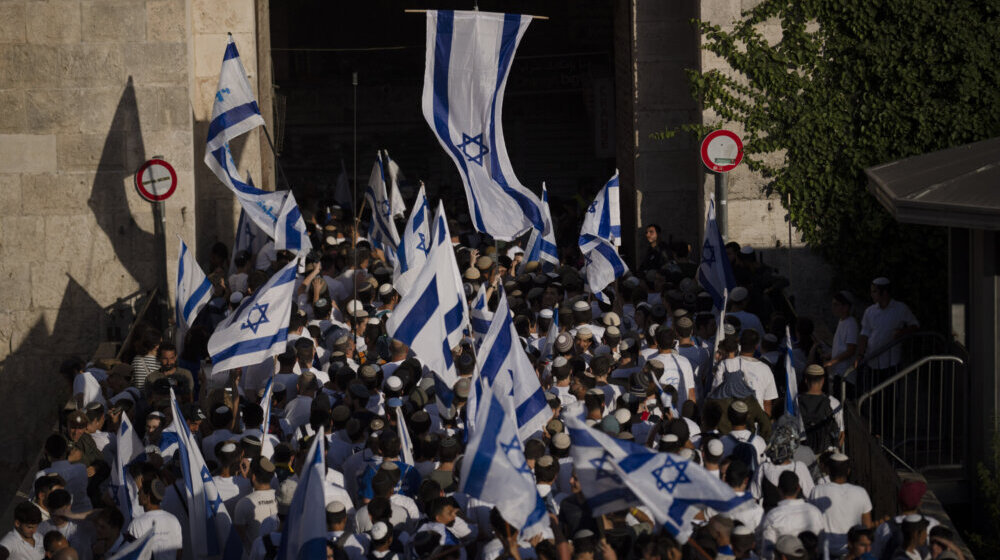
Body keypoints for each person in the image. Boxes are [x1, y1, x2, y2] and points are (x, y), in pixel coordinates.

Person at [807, 453, 873, 555]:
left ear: (828, 470)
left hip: (825, 553)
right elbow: (867, 526)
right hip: (852, 553)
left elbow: (811, 523)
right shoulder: (861, 492)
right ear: (848, 471)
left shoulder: (817, 491)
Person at [855, 278, 919, 379]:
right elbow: (864, 334)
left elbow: (915, 325)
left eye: (875, 291)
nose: (872, 294)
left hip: (892, 361)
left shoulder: (900, 308)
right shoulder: (870, 311)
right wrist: (860, 355)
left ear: (884, 292)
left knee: (890, 391)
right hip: (872, 360)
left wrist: (902, 332)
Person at [758, 471, 824, 559]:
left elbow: (767, 552)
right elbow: (823, 545)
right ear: (799, 488)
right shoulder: (815, 512)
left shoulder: (772, 516)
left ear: (779, 489)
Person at [125, 479, 183, 560]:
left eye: (140, 492)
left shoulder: (137, 524)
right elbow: (179, 553)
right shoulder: (174, 520)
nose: (138, 494)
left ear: (147, 497)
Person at [824, 291, 858, 378]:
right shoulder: (841, 321)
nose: (833, 308)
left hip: (845, 374)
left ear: (846, 307)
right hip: (837, 371)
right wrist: (829, 355)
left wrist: (832, 362)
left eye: (836, 305)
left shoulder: (851, 324)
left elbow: (851, 350)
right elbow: (840, 347)